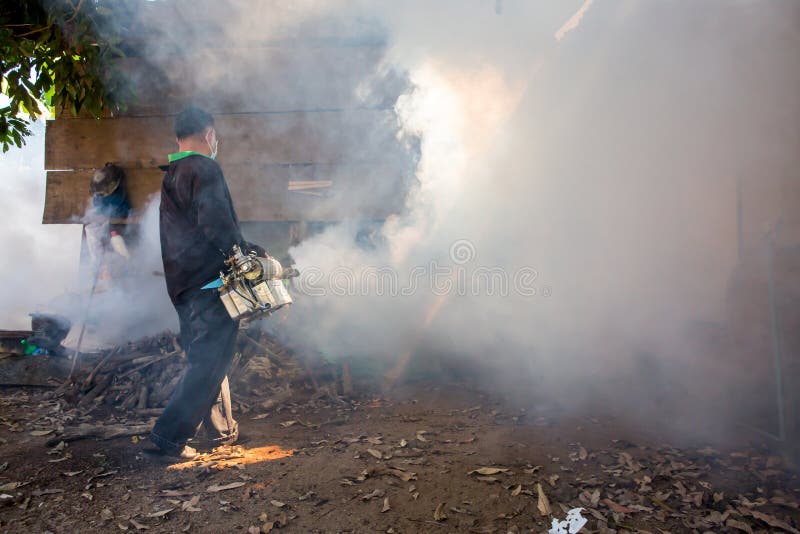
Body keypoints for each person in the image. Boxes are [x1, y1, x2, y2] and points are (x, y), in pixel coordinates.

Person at [149, 107, 267, 460]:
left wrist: (245, 246)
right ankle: (168, 438)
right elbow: (215, 223)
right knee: (210, 361)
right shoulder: (203, 168)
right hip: (208, 282)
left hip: (182, 283)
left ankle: (221, 431)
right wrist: (243, 254)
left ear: (178, 138)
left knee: (207, 357)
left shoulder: (173, 173)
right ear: (209, 135)